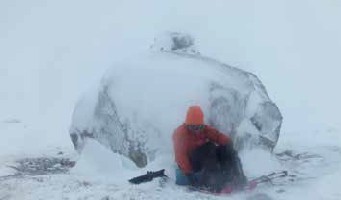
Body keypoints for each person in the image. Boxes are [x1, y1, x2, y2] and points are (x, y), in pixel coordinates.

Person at [172, 105, 247, 192]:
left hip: (206, 160)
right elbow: (180, 156)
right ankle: (212, 184)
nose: (196, 130)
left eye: (199, 127)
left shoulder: (205, 129)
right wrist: (189, 173)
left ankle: (237, 178)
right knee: (209, 147)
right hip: (191, 163)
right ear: (187, 125)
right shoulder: (181, 133)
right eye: (193, 127)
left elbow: (217, 136)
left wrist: (228, 144)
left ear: (202, 125)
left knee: (226, 149)